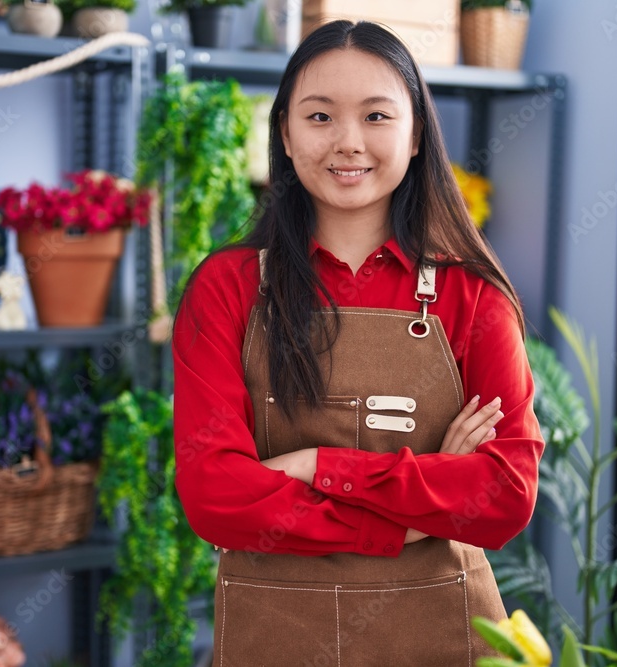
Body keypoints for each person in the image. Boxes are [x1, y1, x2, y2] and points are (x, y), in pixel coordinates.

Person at [172, 20, 545, 666]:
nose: (348, 143)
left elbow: (504, 495)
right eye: (320, 116)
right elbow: (213, 495)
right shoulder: (225, 289)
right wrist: (416, 510)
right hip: (276, 637)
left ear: (417, 133)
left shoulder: (474, 297)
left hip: (446, 635)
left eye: (377, 115)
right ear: (285, 133)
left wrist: (317, 465)